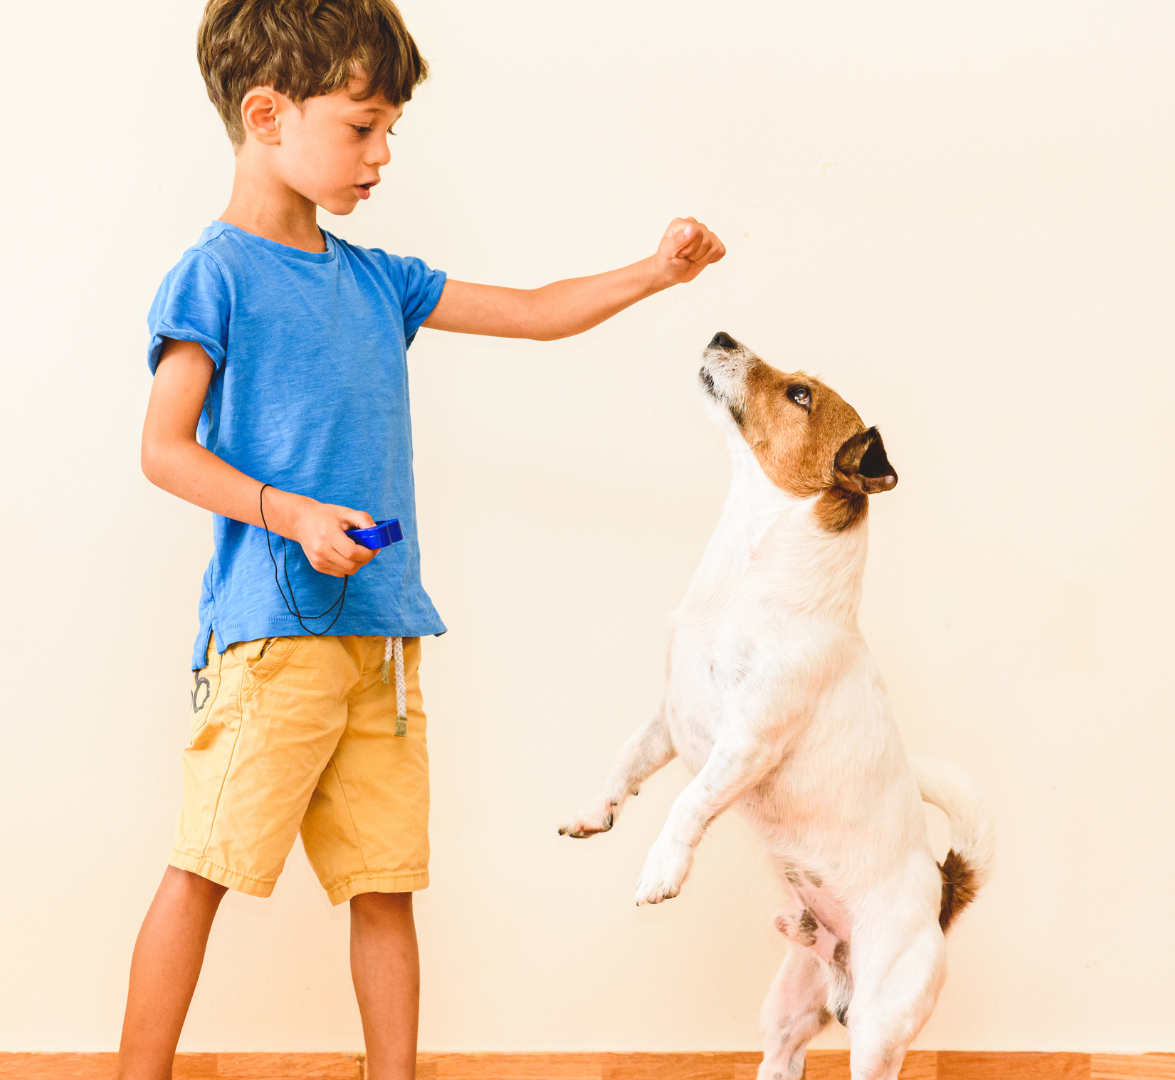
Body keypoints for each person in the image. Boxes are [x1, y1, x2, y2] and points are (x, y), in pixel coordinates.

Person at [118, 1, 725, 1076]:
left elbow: (535, 312)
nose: (382, 154)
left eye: (390, 128)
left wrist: (655, 272)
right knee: (205, 866)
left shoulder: (377, 279)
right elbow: (164, 449)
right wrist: (293, 513)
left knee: (384, 883)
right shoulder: (212, 276)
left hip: (385, 649)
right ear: (267, 114)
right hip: (273, 645)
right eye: (362, 127)